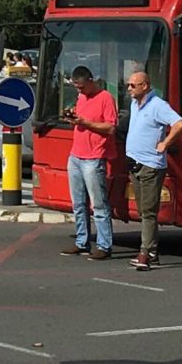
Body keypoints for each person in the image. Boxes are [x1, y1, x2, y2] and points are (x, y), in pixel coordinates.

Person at [123, 68, 182, 272]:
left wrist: (165, 143)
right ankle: (152, 252)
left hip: (151, 165)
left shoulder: (158, 105)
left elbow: (179, 124)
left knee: (149, 212)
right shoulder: (134, 104)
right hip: (135, 163)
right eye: (129, 84)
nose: (129, 88)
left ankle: (145, 253)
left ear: (145, 86)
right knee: (142, 210)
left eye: (133, 85)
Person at [59, 64, 118, 260]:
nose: (79, 90)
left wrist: (85, 123)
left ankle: (104, 245)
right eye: (76, 87)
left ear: (91, 81)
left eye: (82, 87)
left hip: (94, 157)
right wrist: (73, 119)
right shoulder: (81, 98)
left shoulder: (106, 98)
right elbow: (82, 119)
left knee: (99, 204)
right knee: (78, 203)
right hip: (76, 155)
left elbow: (110, 128)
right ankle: (81, 241)